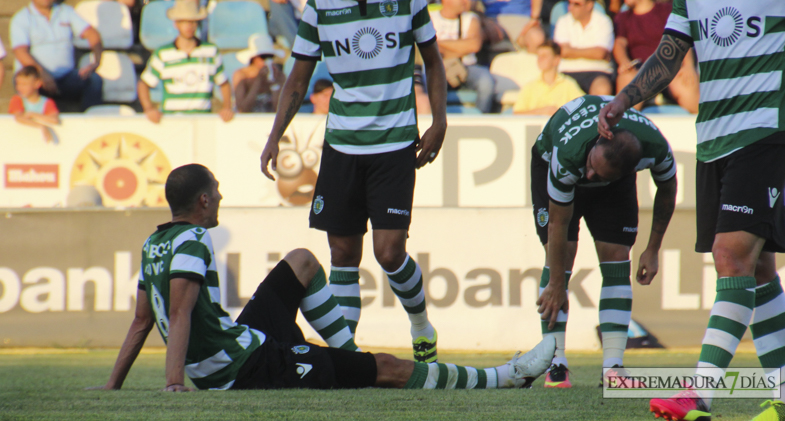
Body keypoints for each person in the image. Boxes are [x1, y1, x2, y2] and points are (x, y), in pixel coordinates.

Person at [598, 0, 785, 419]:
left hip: (767, 132)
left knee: (731, 254)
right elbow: (670, 52)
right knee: (756, 272)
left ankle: (699, 393)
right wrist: (624, 98)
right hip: (712, 137)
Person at [95, 164, 557, 392]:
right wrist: (173, 384)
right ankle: (507, 376)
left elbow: (141, 322)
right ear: (201, 201)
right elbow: (178, 314)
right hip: (244, 368)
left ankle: (348, 357)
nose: (220, 198)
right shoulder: (194, 241)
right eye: (215, 192)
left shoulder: (153, 243)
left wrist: (113, 388)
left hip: (238, 345)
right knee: (386, 369)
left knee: (301, 260)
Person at [260, 0, 448, 364]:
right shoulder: (321, 2)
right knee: (342, 253)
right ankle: (346, 357)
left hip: (395, 145)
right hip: (342, 146)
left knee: (388, 252)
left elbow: (434, 63)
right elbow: (298, 79)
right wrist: (274, 135)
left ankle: (421, 326)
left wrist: (439, 121)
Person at [534, 94, 677, 388]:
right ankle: (556, 364)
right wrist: (558, 284)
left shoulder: (656, 149)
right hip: (552, 160)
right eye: (591, 166)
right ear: (601, 137)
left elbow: (667, 190)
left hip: (613, 177)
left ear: (631, 171)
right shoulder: (571, 156)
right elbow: (559, 223)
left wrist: (653, 249)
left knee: (616, 257)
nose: (589, 176)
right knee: (560, 259)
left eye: (596, 175)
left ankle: (613, 370)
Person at [10, 0, 104, 111]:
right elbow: (20, 52)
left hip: (65, 77)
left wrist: (96, 62)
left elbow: (92, 34)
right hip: (36, 78)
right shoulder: (21, 18)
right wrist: (41, 74)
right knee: (27, 83)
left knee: (94, 80)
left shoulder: (66, 11)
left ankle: (89, 122)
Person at [137, 0, 234, 123]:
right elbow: (143, 84)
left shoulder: (211, 51)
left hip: (203, 119)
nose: (189, 26)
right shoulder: (163, 54)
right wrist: (149, 108)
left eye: (192, 21)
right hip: (171, 120)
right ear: (176, 24)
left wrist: (227, 107)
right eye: (184, 22)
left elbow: (224, 83)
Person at [613, 0, 699, 112]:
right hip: (639, 69)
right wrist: (624, 62)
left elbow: (681, 38)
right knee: (626, 79)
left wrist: (689, 65)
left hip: (670, 66)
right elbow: (619, 44)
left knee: (687, 82)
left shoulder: (666, 11)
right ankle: (623, 127)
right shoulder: (623, 17)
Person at [431, 0, 497, 114]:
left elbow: (474, 45)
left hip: (467, 67)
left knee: (486, 81)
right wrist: (461, 47)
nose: (466, 0)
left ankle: (481, 120)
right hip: (437, 67)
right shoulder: (430, 17)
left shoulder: (471, 18)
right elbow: (426, 49)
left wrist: (439, 45)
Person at [552, 0, 614, 95]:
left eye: (576, 4)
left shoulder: (603, 21)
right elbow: (562, 51)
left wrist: (571, 51)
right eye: (569, 3)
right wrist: (592, 52)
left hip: (597, 72)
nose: (570, 7)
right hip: (567, 73)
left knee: (603, 89)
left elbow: (600, 53)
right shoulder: (563, 22)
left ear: (589, 5)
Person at [512, 40, 583, 115]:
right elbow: (516, 114)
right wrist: (542, 112)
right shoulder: (530, 86)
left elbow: (583, 106)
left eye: (544, 56)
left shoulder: (568, 85)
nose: (540, 59)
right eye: (538, 56)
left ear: (556, 60)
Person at [232, 34, 285, 113]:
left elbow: (279, 109)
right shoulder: (241, 75)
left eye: (270, 56)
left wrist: (275, 84)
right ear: (254, 57)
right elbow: (243, 109)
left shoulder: (279, 76)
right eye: (263, 56)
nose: (266, 60)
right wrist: (258, 81)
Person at [8, 66, 60, 143]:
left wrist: (31, 114)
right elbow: (19, 117)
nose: (19, 88)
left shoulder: (47, 102)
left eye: (24, 84)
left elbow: (54, 119)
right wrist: (40, 126)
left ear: (37, 84)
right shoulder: (17, 99)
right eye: (18, 84)